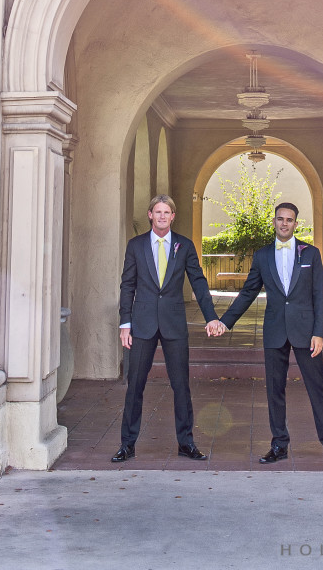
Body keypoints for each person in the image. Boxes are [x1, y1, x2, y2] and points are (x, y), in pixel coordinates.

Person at [216, 202, 323, 463]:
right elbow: (248, 293)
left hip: (306, 332)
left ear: (296, 224)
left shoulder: (311, 254)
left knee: (317, 388)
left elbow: (319, 296)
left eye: (289, 220)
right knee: (274, 390)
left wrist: (319, 333)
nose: (284, 223)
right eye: (280, 219)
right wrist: (225, 322)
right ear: (274, 222)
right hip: (275, 331)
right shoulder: (263, 255)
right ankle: (279, 444)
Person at [111, 193, 223, 462]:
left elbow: (198, 282)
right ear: (150, 214)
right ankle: (127, 444)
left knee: (181, 386)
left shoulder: (184, 246)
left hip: (174, 324)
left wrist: (211, 317)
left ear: (173, 216)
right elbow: (128, 285)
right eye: (157, 212)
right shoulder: (135, 246)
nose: (162, 216)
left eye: (167, 212)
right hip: (142, 323)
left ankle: (186, 443)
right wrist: (125, 323)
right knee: (135, 384)